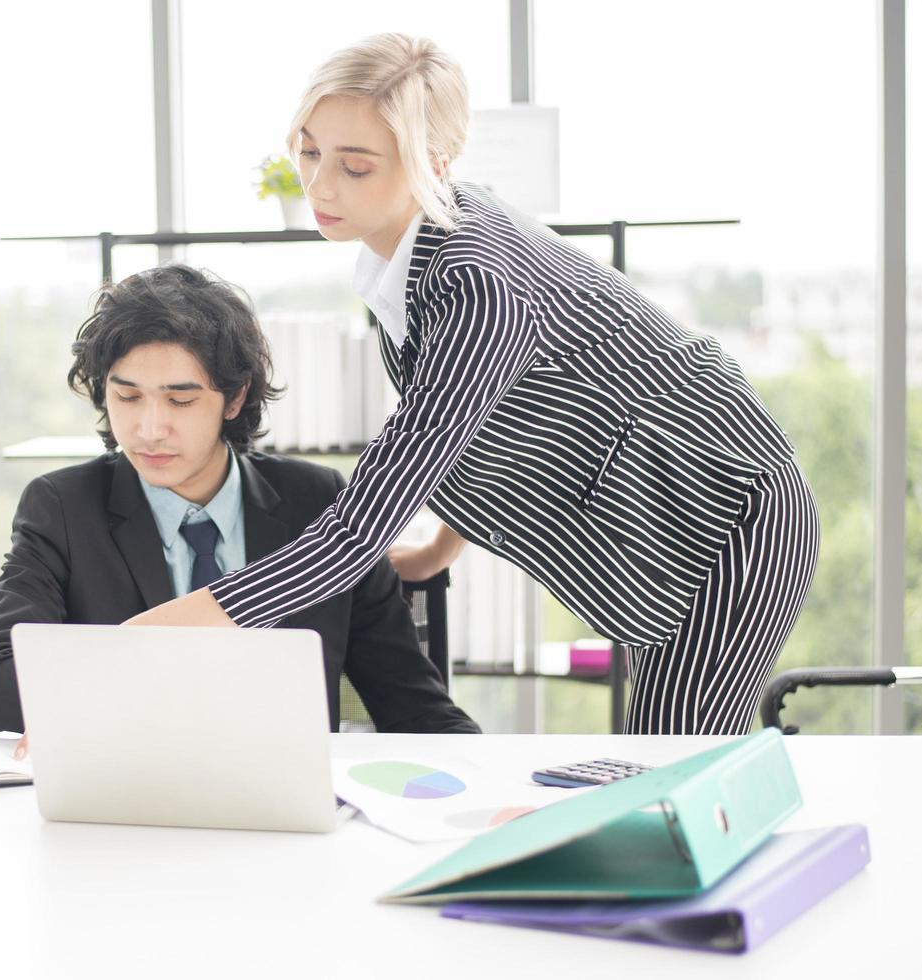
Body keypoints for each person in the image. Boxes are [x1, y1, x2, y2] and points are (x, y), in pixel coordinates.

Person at [127, 34, 820, 737]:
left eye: (356, 166)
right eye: (309, 152)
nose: (321, 186)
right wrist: (437, 550)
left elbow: (356, 532)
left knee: (672, 770)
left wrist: (158, 635)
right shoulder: (406, 253)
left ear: (433, 162)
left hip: (727, 515)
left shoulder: (473, 285)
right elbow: (478, 422)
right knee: (667, 770)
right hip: (658, 524)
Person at [0, 263, 478, 738]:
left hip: (284, 805)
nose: (148, 428)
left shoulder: (321, 507)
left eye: (181, 400)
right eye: (127, 397)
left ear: (234, 398)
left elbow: (415, 708)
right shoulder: (64, 508)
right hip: (132, 801)